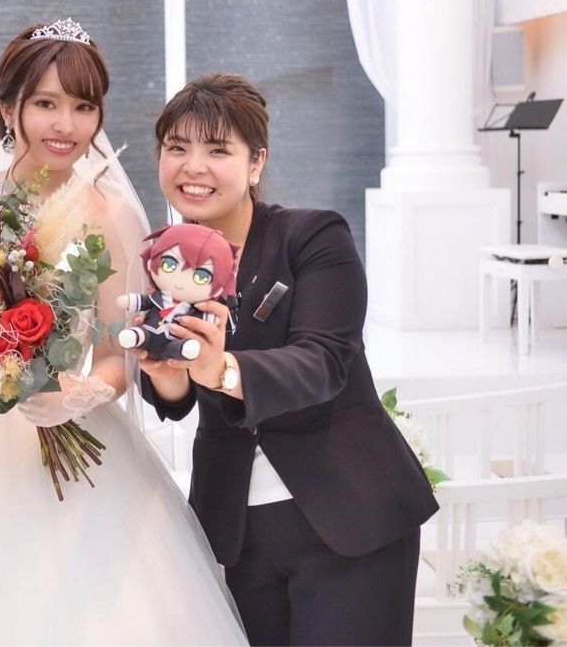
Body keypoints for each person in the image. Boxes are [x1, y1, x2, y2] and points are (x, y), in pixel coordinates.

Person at [0, 21, 247, 646]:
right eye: (46, 103)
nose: (66, 124)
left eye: (83, 106)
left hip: (75, 445)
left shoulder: (111, 215)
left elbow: (119, 351)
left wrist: (79, 394)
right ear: (8, 108)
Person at [137, 73, 439, 646]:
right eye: (176, 147)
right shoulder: (167, 260)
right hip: (239, 527)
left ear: (256, 163)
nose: (193, 167)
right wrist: (168, 376)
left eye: (217, 150)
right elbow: (174, 401)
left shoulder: (313, 236)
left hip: (348, 514)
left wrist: (223, 370)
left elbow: (324, 359)